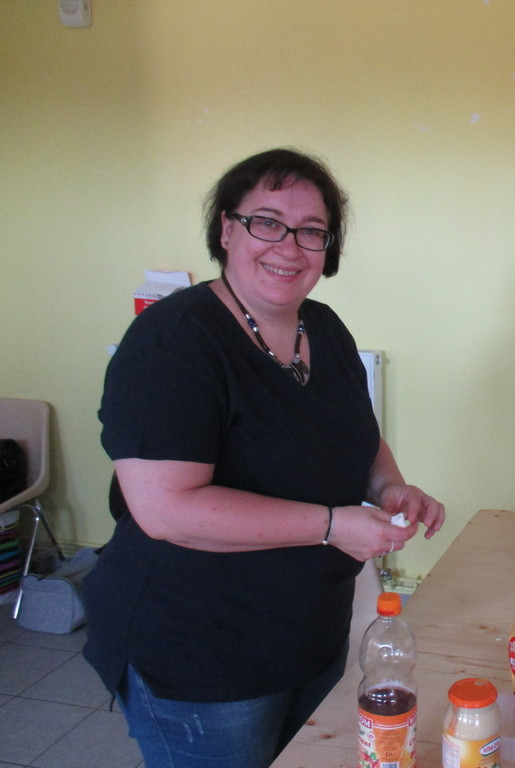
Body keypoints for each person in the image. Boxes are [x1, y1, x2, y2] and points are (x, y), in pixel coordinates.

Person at [82, 148, 445, 768]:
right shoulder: (174, 342)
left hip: (310, 630)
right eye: (267, 222)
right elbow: (166, 510)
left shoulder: (322, 327)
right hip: (203, 652)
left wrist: (389, 488)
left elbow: (357, 434)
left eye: (311, 231)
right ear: (227, 229)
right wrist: (332, 525)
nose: (289, 246)